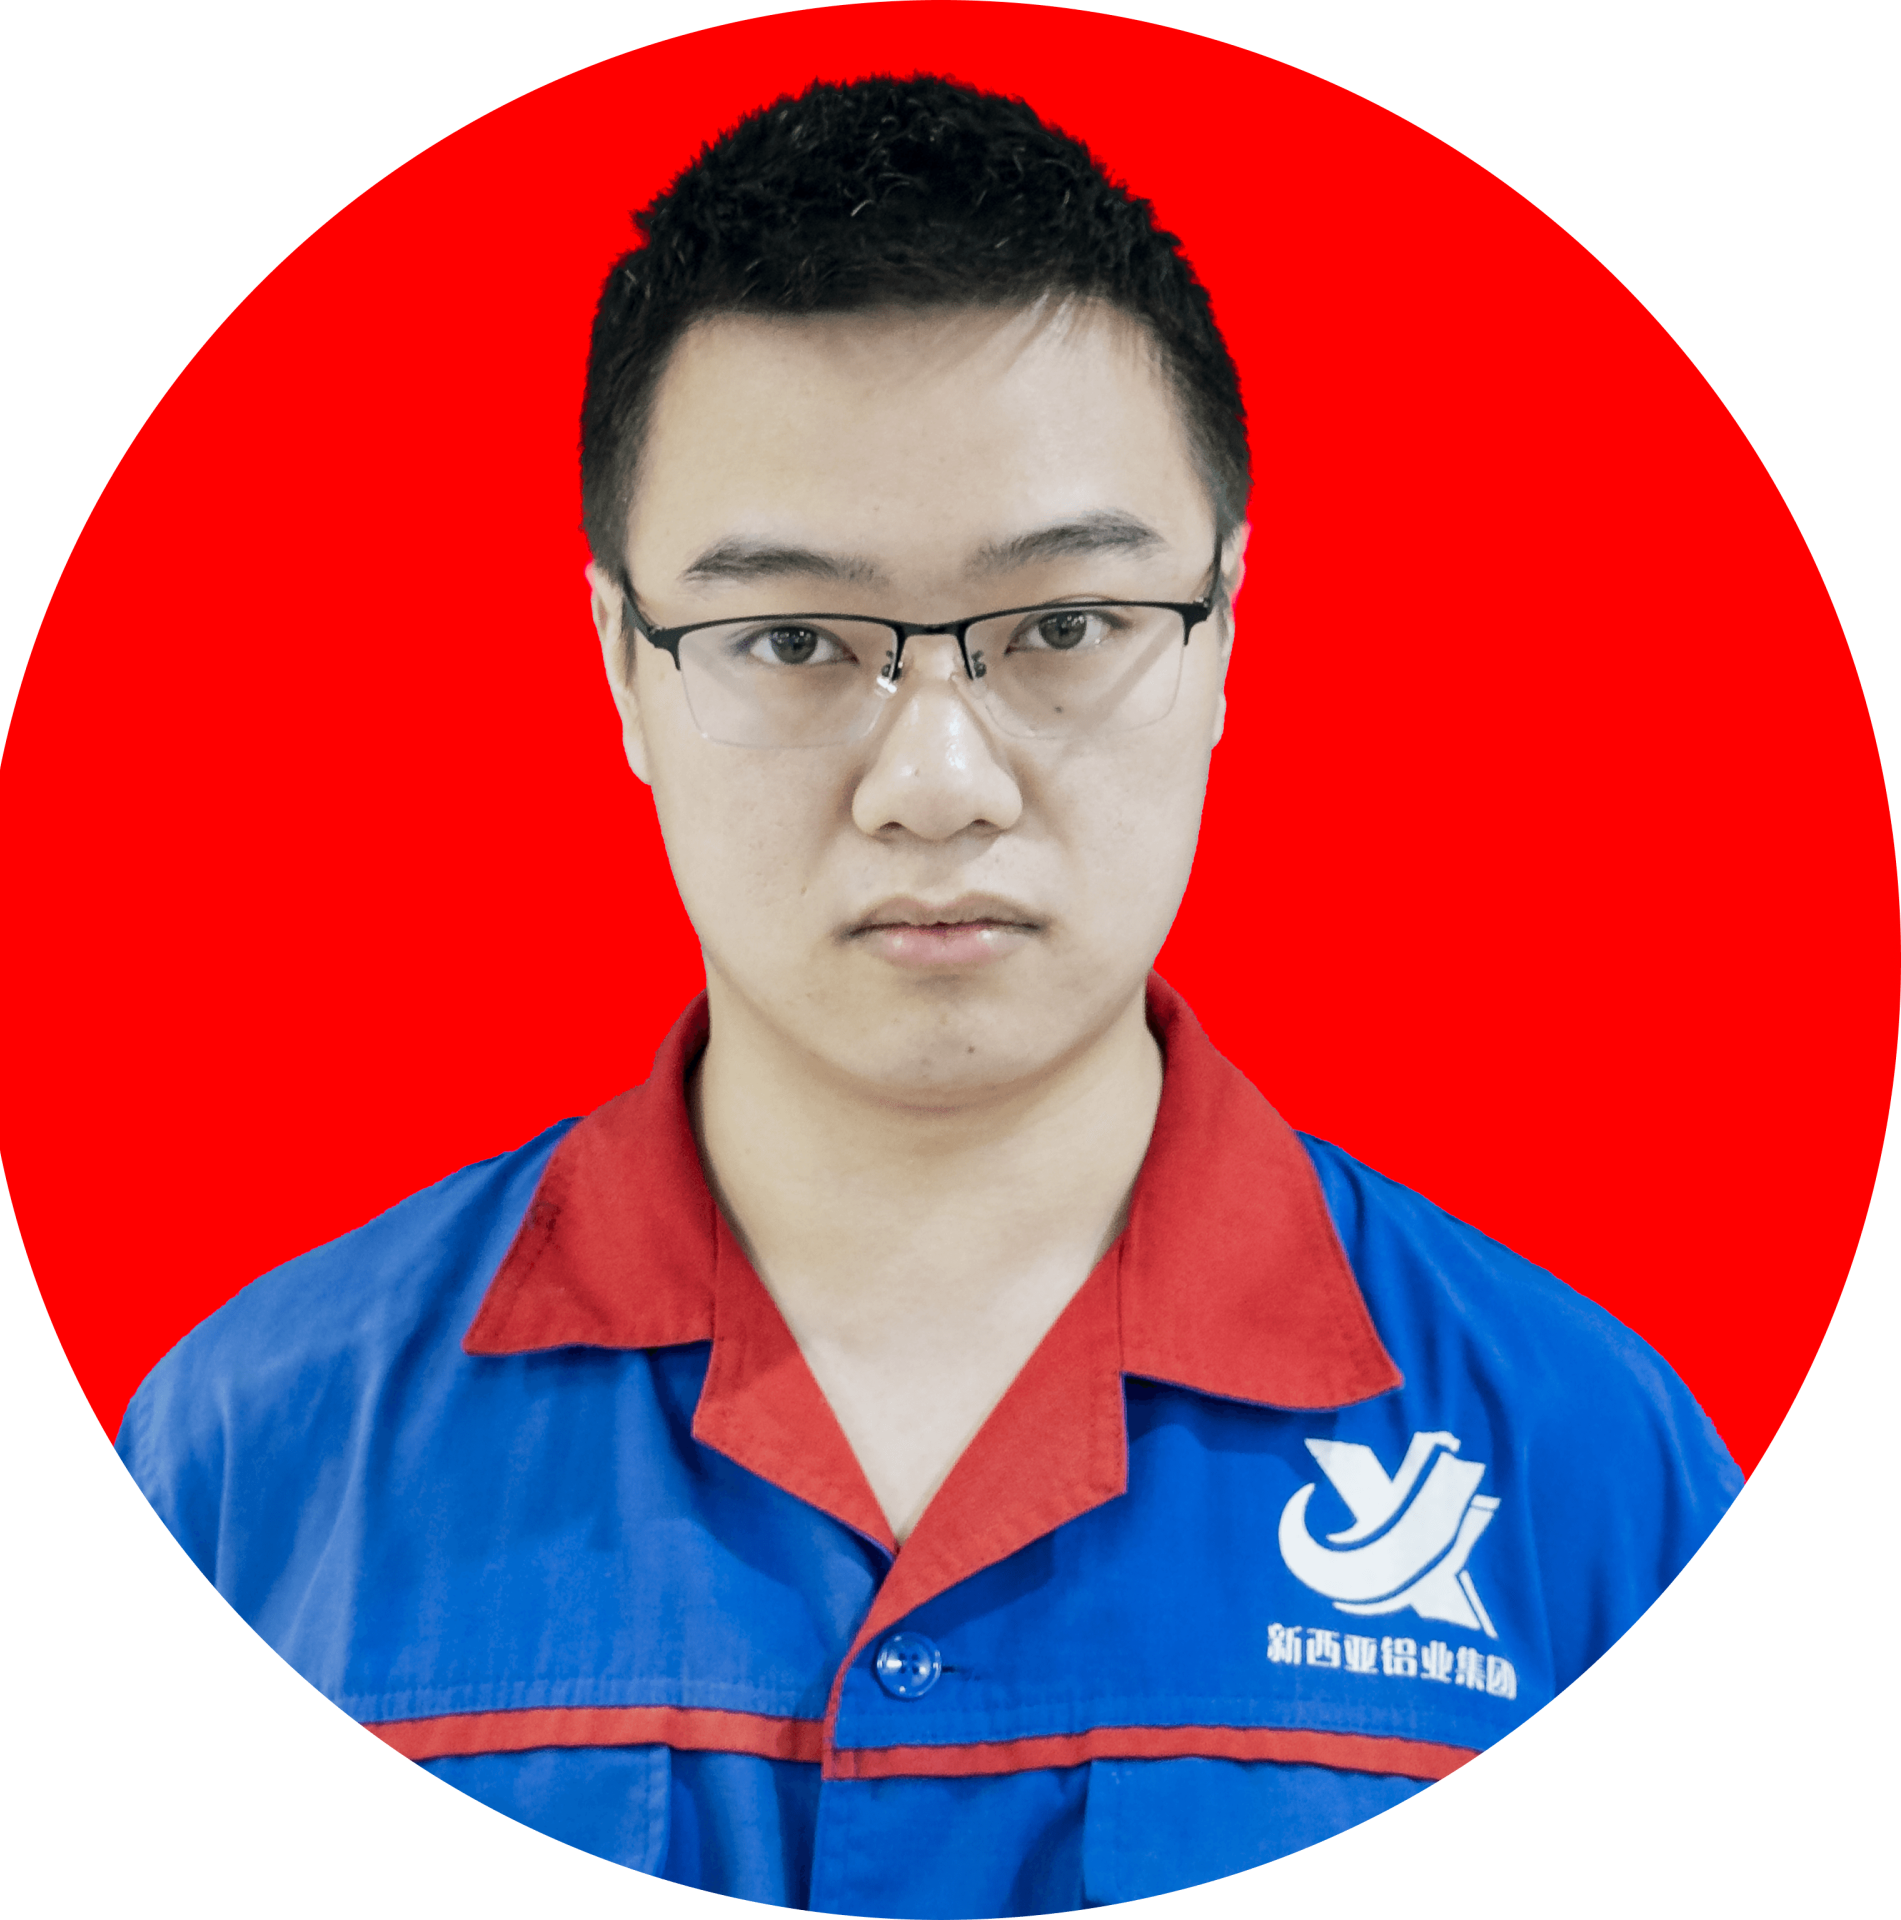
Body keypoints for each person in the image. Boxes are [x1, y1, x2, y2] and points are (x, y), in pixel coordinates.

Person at [117, 74, 1741, 1916]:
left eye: (1063, 627)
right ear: (623, 666)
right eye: (792, 640)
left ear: (1224, 632)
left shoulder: (1593, 1482)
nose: (937, 782)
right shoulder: (252, 1470)